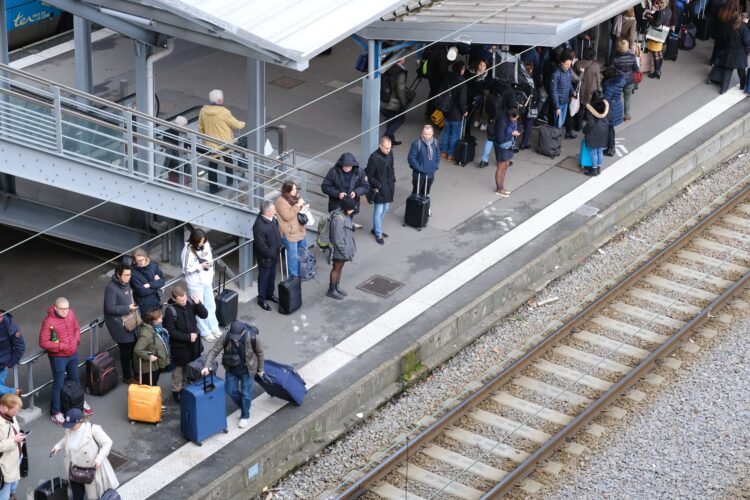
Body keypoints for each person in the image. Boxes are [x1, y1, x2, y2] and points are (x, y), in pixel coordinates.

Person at [202, 320, 264, 429]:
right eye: (233, 336)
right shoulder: (226, 335)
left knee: (246, 394)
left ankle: (245, 415)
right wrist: (206, 366)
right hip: (231, 369)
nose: (234, 339)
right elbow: (214, 351)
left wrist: (260, 369)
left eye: (237, 337)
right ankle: (245, 406)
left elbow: (260, 353)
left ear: (243, 332)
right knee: (230, 390)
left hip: (248, 370)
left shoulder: (253, 337)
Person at [40, 297, 92, 425]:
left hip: (72, 353)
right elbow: (43, 342)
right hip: (58, 357)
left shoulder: (71, 313)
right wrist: (61, 346)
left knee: (75, 380)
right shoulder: (48, 321)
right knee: (58, 384)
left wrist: (76, 340)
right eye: (62, 309)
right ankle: (56, 412)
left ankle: (79, 403)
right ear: (55, 308)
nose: (65, 311)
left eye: (67, 309)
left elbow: (76, 328)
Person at [51, 408, 119, 500]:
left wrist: (99, 458)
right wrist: (58, 445)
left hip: (90, 470)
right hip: (74, 470)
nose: (70, 427)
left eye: (72, 424)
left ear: (80, 421)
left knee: (93, 497)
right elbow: (66, 438)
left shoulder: (93, 429)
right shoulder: (70, 430)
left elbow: (107, 442)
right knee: (77, 496)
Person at [163, 285, 208, 403]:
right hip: (180, 347)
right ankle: (177, 391)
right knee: (178, 370)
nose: (184, 302)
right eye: (181, 300)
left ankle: (188, 383)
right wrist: (188, 337)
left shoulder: (190, 303)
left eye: (185, 299)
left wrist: (198, 303)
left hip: (194, 345)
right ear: (174, 299)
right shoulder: (170, 311)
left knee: (192, 365)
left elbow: (204, 315)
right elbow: (170, 331)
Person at [198, 89, 246, 194]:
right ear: (220, 100)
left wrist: (204, 138)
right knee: (228, 162)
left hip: (210, 144)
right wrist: (243, 123)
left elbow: (200, 127)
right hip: (224, 144)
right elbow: (235, 124)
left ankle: (213, 188)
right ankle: (230, 182)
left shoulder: (203, 111)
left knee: (212, 165)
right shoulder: (224, 112)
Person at [181, 228, 221, 342]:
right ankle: (205, 331)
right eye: (200, 241)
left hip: (207, 281)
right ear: (194, 241)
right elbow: (185, 270)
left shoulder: (206, 245)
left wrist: (209, 266)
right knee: (200, 308)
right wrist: (200, 267)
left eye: (203, 240)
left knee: (211, 305)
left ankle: (214, 327)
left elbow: (209, 258)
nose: (202, 243)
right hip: (195, 284)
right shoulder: (187, 251)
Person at [104, 263, 140, 384]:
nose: (128, 277)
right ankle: (127, 377)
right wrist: (127, 308)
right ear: (118, 274)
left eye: (129, 274)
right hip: (121, 326)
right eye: (125, 275)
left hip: (131, 322)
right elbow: (109, 308)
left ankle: (136, 374)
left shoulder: (126, 283)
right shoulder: (111, 288)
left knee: (133, 350)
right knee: (126, 353)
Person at [321, 152, 369, 226]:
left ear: (353, 165)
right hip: (336, 207)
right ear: (341, 164)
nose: (346, 168)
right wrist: (338, 194)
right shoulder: (333, 171)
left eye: (349, 166)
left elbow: (365, 186)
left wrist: (356, 192)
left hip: (350, 206)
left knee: (347, 226)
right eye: (344, 166)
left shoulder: (359, 171)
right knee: (336, 227)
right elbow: (325, 186)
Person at [365, 136, 396, 245]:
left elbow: (391, 167)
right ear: (380, 146)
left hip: (388, 186)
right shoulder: (374, 157)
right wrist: (378, 185)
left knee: (385, 209)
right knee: (378, 211)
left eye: (389, 148)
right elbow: (368, 175)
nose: (388, 150)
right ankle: (378, 233)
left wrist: (393, 179)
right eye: (386, 148)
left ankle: (375, 228)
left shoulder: (390, 153)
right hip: (379, 188)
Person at [252, 200, 282, 310]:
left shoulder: (271, 219)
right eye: (273, 209)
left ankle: (270, 294)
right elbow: (261, 246)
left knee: (272, 277)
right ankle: (262, 299)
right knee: (263, 279)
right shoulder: (259, 226)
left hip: (273, 255)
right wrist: (272, 254)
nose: (275, 211)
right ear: (267, 212)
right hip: (266, 258)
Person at [133, 308, 170, 399]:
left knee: (153, 384)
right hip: (148, 368)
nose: (162, 317)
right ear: (153, 320)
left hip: (154, 365)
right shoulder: (146, 334)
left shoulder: (154, 329)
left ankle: (152, 403)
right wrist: (149, 357)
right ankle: (150, 404)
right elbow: (137, 349)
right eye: (159, 317)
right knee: (150, 387)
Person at [275, 181, 308, 278]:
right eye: (292, 189)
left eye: (295, 189)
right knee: (293, 256)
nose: (295, 191)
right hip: (289, 233)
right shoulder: (280, 201)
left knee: (303, 253)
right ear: (287, 190)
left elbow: (298, 212)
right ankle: (294, 277)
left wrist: (302, 207)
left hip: (300, 230)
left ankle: (302, 272)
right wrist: (297, 206)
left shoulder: (294, 198)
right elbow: (287, 217)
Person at [326, 197, 357, 300]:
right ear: (346, 208)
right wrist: (345, 252)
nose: (353, 210)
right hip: (339, 250)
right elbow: (338, 239)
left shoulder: (344, 214)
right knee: (336, 268)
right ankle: (331, 290)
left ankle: (336, 286)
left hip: (343, 250)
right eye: (352, 208)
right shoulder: (338, 219)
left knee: (340, 267)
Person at [438, 60, 468, 161]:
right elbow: (462, 101)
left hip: (446, 110)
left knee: (446, 131)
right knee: (455, 133)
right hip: (456, 113)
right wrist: (464, 111)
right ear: (461, 70)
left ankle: (443, 152)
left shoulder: (447, 78)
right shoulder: (462, 82)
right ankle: (451, 154)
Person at [716, 14, 750, 94]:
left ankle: (723, 89)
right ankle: (743, 86)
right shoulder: (744, 29)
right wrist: (747, 50)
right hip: (740, 53)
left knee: (728, 70)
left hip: (729, 52)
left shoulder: (728, 27)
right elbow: (747, 42)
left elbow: (724, 39)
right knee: (741, 70)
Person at [0, 394, 25, 500]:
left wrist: (19, 438)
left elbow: (14, 430)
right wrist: (14, 440)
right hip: (4, 464)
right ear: (5, 407)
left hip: (15, 457)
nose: (16, 414)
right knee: (4, 492)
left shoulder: (10, 415)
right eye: (15, 411)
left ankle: (11, 495)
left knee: (13, 483)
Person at [380, 58, 410, 145]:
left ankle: (391, 140)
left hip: (385, 98)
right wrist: (403, 102)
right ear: (400, 60)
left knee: (390, 119)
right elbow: (400, 89)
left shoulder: (387, 68)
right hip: (394, 100)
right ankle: (386, 135)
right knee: (401, 119)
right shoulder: (400, 72)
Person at [549, 49, 577, 138]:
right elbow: (553, 91)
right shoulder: (556, 73)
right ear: (561, 63)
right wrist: (557, 107)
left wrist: (572, 91)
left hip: (565, 101)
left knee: (561, 123)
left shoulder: (568, 71)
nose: (569, 66)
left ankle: (556, 141)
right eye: (567, 64)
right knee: (557, 123)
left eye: (570, 64)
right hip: (558, 103)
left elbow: (569, 84)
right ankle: (554, 141)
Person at [407, 125, 441, 201]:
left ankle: (423, 205)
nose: (427, 136)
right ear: (422, 133)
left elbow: (438, 155)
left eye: (429, 134)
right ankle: (415, 206)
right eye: (425, 134)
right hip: (419, 175)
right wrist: (420, 169)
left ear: (432, 133)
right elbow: (411, 158)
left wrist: (435, 166)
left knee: (426, 192)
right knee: (416, 193)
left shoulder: (435, 142)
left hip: (430, 174)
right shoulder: (416, 143)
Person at [493, 108, 521, 197]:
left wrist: (515, 133)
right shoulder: (501, 122)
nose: (516, 120)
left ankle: (502, 187)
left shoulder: (510, 119)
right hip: (501, 146)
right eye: (515, 118)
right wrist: (512, 134)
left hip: (508, 145)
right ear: (510, 116)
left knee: (506, 165)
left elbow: (515, 127)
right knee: (500, 167)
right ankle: (499, 189)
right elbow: (500, 139)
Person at [572, 47, 601, 132]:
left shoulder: (577, 63)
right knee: (590, 108)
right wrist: (599, 89)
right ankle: (589, 125)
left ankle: (578, 126)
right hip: (591, 90)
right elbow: (598, 79)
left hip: (580, 89)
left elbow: (574, 77)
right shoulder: (595, 64)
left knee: (580, 108)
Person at [130, 248, 165, 315]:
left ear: (145, 257)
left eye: (142, 259)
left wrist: (150, 285)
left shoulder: (153, 265)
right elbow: (141, 291)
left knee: (159, 318)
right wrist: (156, 286)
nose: (141, 262)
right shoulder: (132, 272)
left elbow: (162, 280)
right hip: (144, 303)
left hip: (156, 299)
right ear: (134, 261)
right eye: (138, 261)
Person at [582, 91, 610, 176]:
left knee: (593, 151)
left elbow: (590, 123)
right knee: (600, 151)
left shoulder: (590, 108)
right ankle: (598, 168)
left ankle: (594, 170)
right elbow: (610, 117)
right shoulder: (606, 106)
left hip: (594, 132)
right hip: (603, 130)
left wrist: (585, 130)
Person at [613, 39, 639, 121]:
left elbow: (612, 69)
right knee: (627, 98)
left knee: (616, 98)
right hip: (629, 80)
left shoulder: (615, 58)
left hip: (618, 81)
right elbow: (636, 69)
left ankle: (615, 116)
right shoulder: (632, 57)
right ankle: (627, 116)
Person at [602, 66, 626, 157]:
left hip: (611, 109)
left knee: (609, 128)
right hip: (617, 105)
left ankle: (610, 149)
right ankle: (610, 147)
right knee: (610, 128)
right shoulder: (620, 80)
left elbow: (605, 99)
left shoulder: (610, 86)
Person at [0, 310, 24, 397]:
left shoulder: (8, 325)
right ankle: (13, 392)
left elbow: (20, 346)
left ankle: (13, 392)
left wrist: (10, 364)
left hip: (2, 365)